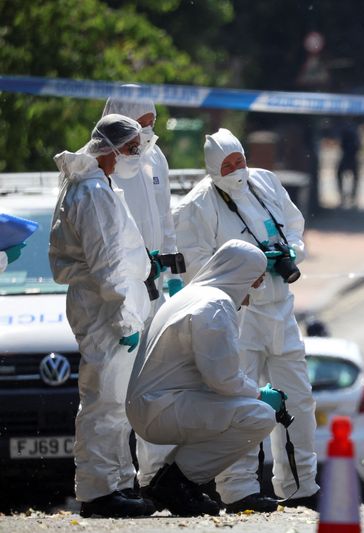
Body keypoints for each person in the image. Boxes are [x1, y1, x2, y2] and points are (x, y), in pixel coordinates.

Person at [172, 128, 319, 511]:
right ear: (212, 168)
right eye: (228, 165)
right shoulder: (197, 206)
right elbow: (196, 268)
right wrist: (244, 271)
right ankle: (238, 490)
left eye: (240, 160)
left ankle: (301, 485)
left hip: (280, 308)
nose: (237, 169)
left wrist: (290, 252)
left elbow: (293, 224)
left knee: (298, 399)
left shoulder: (265, 182)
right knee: (239, 401)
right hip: (237, 315)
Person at [127, 240, 284, 517]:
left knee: (244, 410)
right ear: (240, 276)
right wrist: (261, 395)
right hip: (162, 408)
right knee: (258, 416)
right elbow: (222, 379)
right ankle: (178, 484)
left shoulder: (194, 295)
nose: (256, 290)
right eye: (256, 281)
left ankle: (169, 483)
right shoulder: (216, 305)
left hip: (155, 406)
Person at [49, 114, 153, 518]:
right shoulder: (92, 192)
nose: (135, 156)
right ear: (111, 147)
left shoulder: (93, 185)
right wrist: (125, 319)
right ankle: (98, 492)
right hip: (106, 310)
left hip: (104, 306)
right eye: (131, 148)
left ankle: (116, 484)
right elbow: (107, 264)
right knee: (102, 402)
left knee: (113, 401)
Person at [101, 88, 184, 499]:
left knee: (157, 383)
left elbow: (164, 216)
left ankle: (157, 478)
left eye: (152, 123)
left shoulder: (155, 158)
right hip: (120, 287)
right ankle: (117, 481)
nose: (149, 133)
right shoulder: (106, 163)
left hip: (155, 286)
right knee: (116, 390)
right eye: (142, 124)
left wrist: (170, 271)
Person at [336, 120, 361, 209]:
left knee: (354, 177)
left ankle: (350, 198)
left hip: (351, 156)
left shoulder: (353, 129)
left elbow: (357, 145)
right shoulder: (351, 129)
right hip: (348, 156)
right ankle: (346, 198)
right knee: (341, 175)